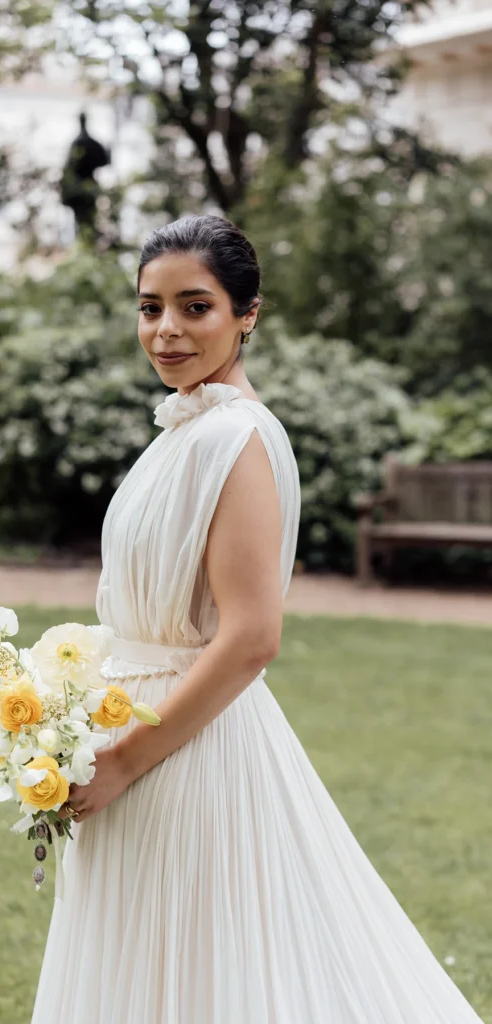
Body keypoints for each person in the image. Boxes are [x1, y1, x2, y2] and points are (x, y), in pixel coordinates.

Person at [31, 215, 485, 1023]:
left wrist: (126, 759)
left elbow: (251, 637)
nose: (166, 330)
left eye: (194, 306)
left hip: (180, 751)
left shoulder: (235, 437)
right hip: (120, 740)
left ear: (247, 314)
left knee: (205, 973)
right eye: (149, 307)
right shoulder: (182, 429)